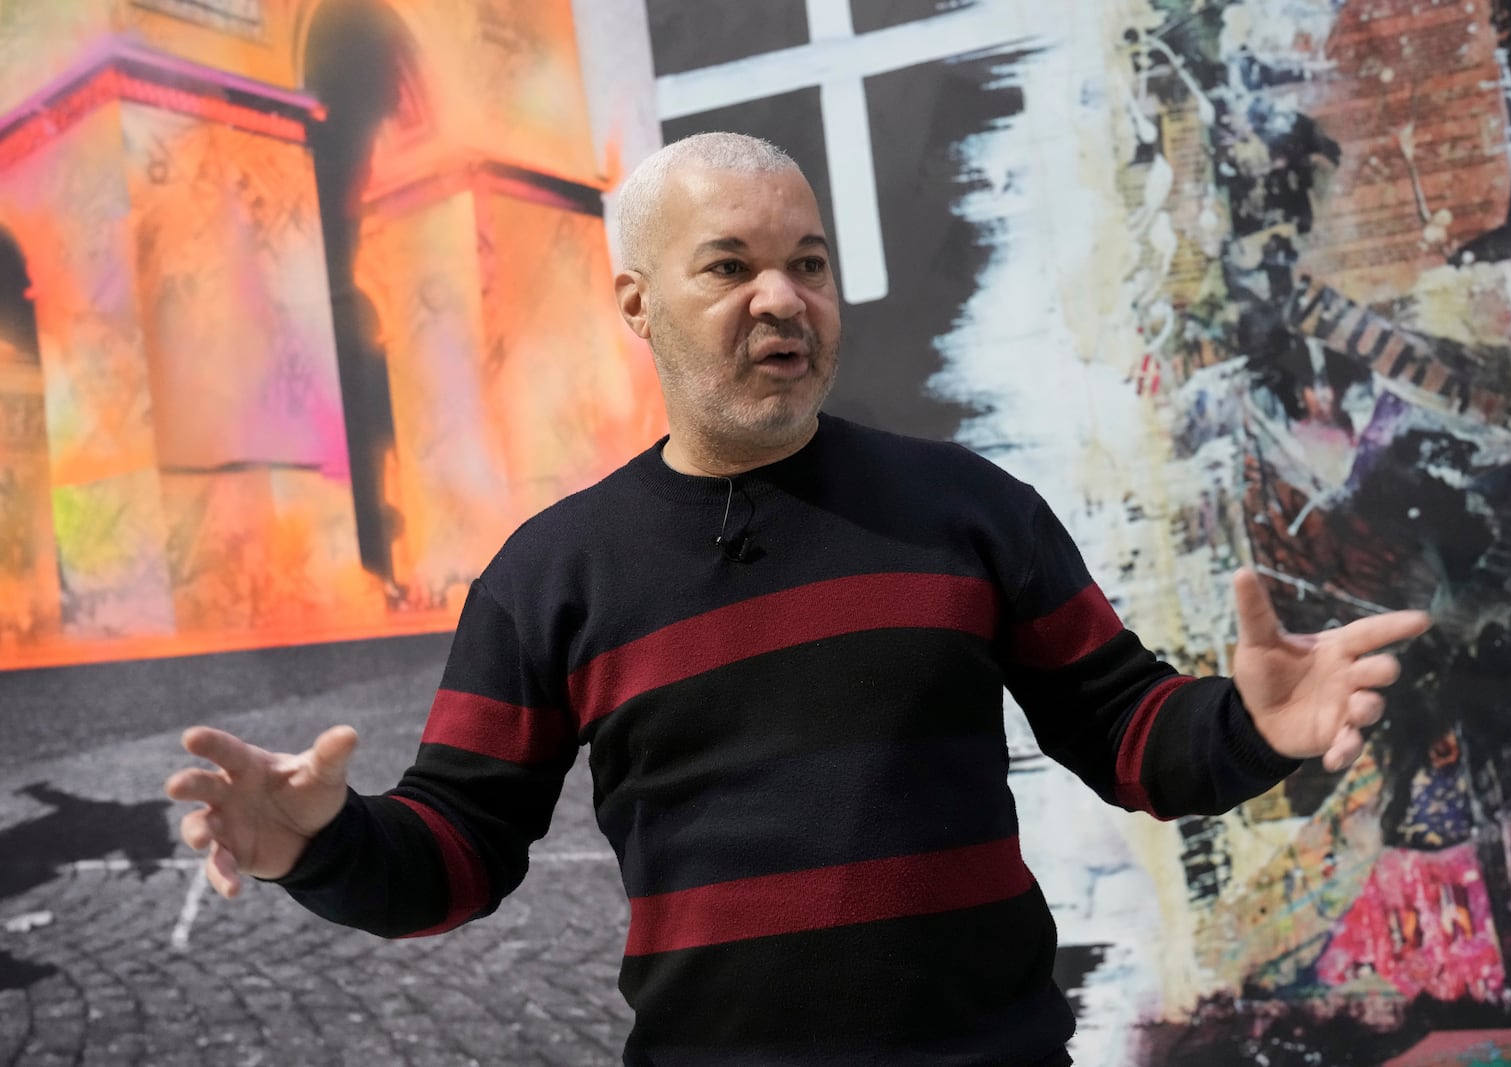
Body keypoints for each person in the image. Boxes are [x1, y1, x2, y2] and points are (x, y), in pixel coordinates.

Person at [166, 132, 1431, 1066]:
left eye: (806, 263)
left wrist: (1254, 724)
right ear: (638, 303)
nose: (782, 297)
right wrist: (318, 844)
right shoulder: (549, 575)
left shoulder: (965, 508)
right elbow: (456, 854)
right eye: (728, 266)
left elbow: (1128, 732)